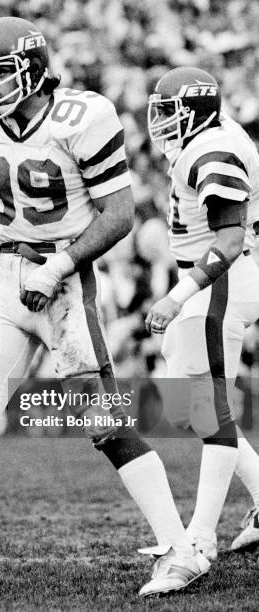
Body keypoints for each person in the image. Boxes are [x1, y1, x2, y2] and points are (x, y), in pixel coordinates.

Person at [0, 17, 209, 599]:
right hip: (7, 276)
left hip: (66, 272)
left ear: (32, 67)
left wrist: (57, 268)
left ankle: (181, 550)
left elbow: (119, 213)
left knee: (100, 419)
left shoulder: (84, 116)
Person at [146, 66, 259, 559]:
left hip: (221, 277)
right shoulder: (212, 136)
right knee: (189, 407)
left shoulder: (213, 150)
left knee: (208, 410)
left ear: (195, 110)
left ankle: (198, 539)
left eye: (169, 112)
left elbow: (230, 241)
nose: (160, 122)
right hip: (212, 277)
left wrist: (178, 294)